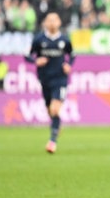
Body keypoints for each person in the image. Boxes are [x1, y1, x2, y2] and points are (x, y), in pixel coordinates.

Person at [25, 11, 75, 154]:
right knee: (50, 111)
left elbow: (72, 55)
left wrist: (68, 65)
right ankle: (56, 126)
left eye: (55, 20)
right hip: (45, 79)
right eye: (49, 20)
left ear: (59, 23)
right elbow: (27, 55)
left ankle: (52, 141)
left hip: (60, 80)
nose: (52, 23)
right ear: (45, 23)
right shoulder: (39, 40)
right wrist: (36, 60)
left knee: (54, 109)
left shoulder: (64, 40)